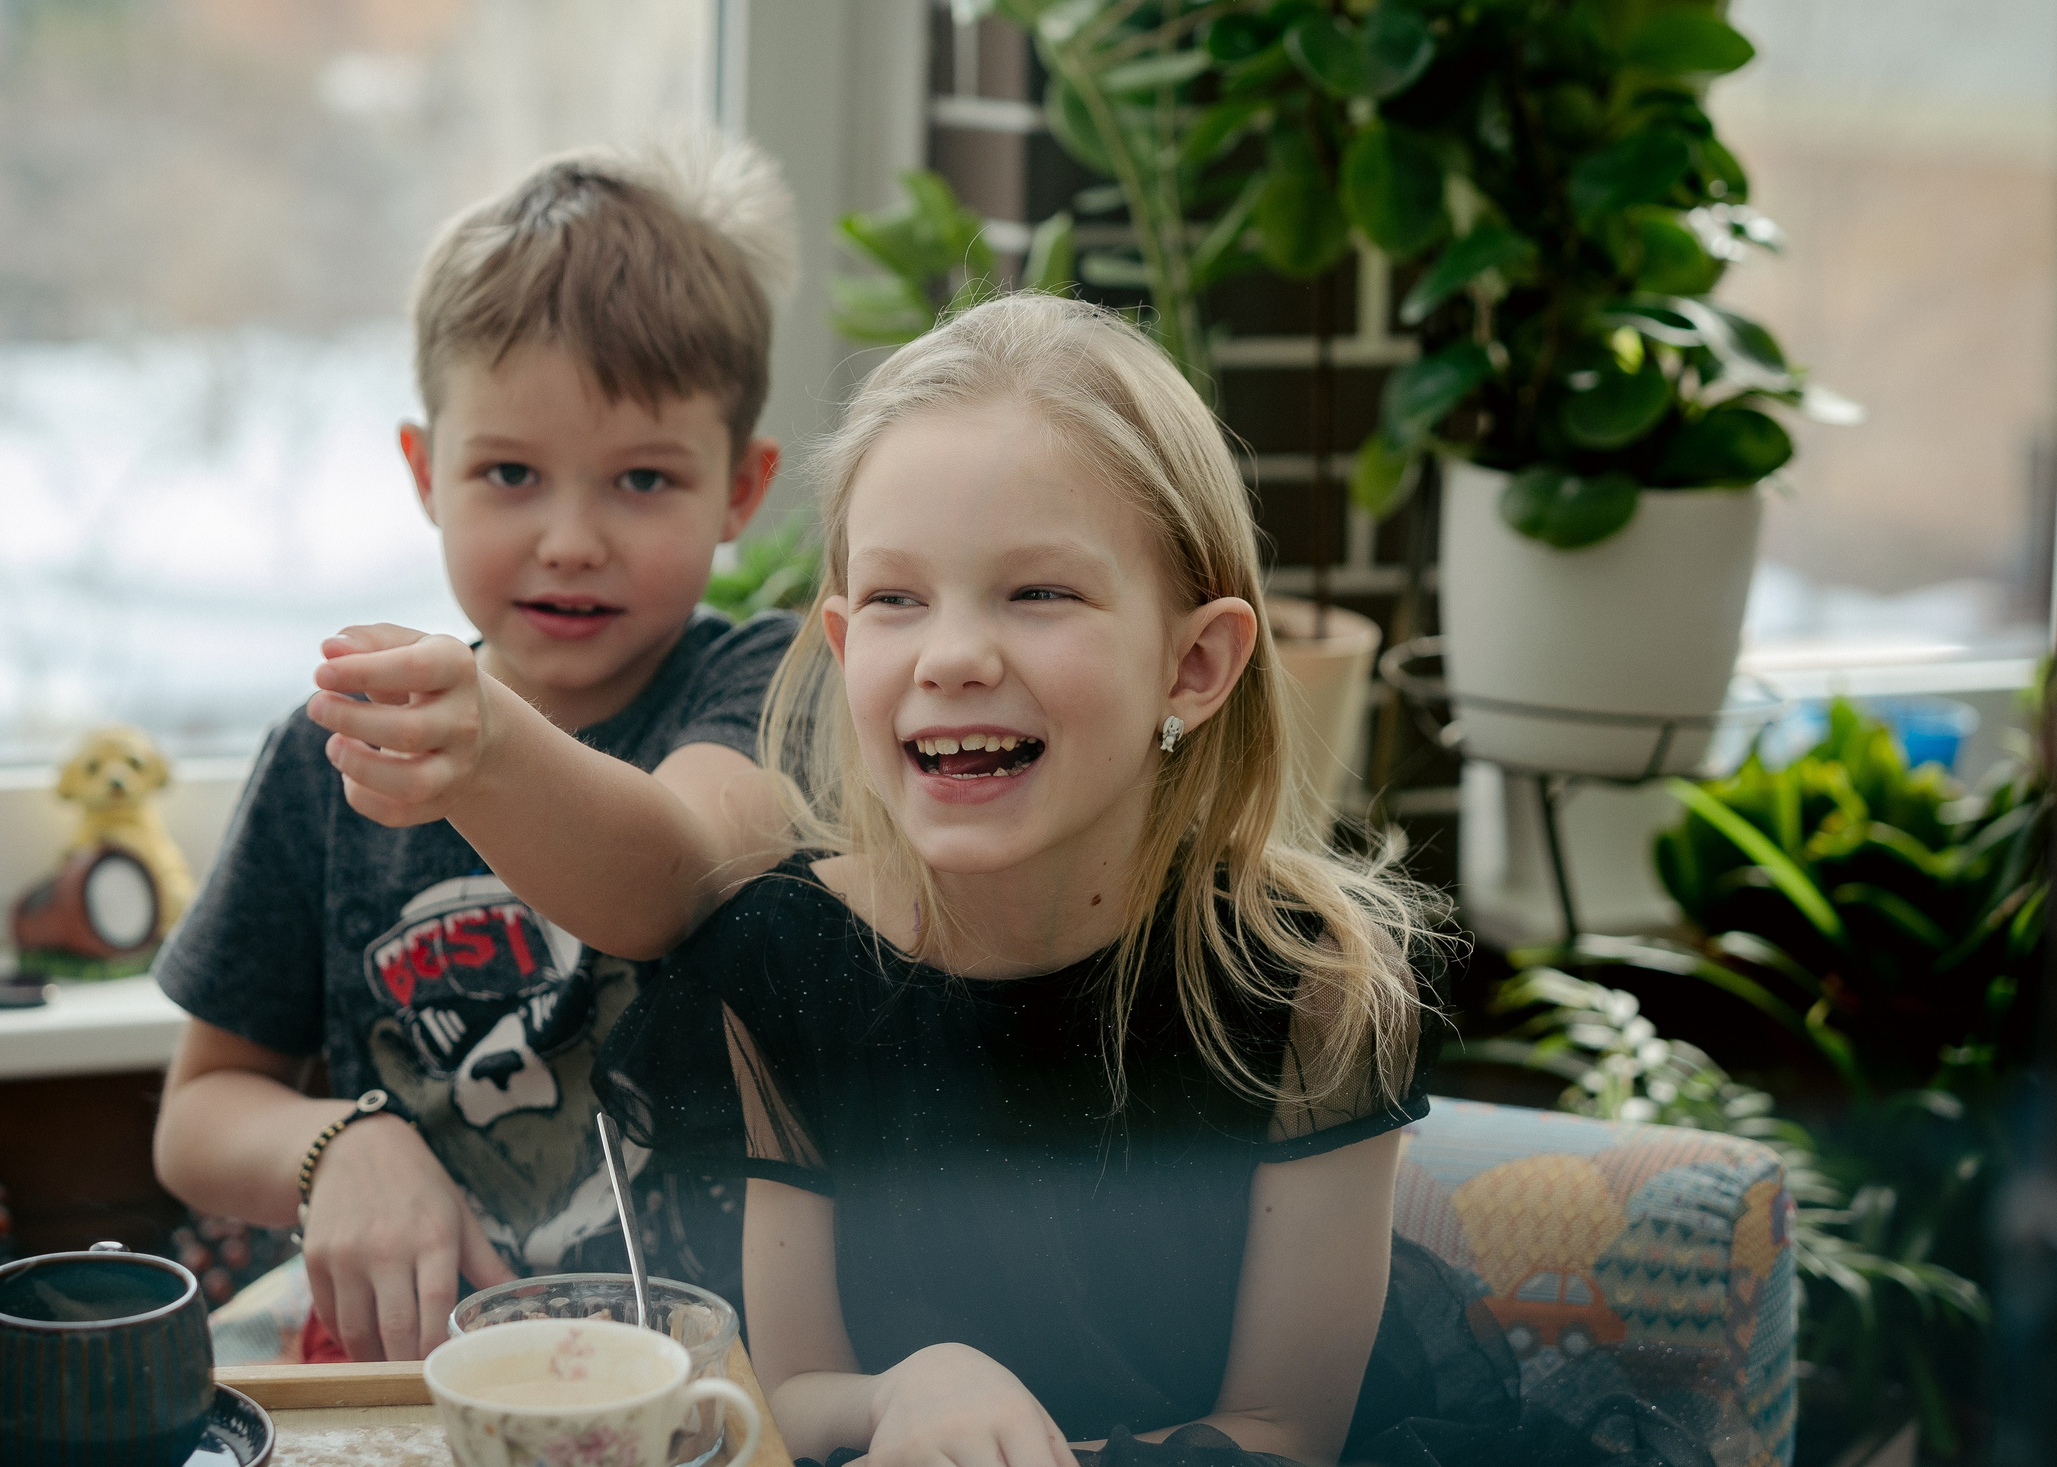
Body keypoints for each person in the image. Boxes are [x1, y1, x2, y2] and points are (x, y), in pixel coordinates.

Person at [599, 297, 1705, 1467]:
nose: (952, 654)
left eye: (1039, 593)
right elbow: (798, 1386)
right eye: (895, 599)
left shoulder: (1309, 984)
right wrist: (910, 1390)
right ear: (839, 646)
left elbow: (1284, 1431)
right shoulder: (786, 961)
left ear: (1192, 665)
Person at [152, 131, 801, 1364]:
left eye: (644, 481)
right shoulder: (329, 758)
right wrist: (340, 1142)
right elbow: (196, 1117)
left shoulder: (765, 687)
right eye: (509, 471)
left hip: (704, 1385)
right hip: (406, 1376)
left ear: (742, 488)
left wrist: (490, 747)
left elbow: (668, 881)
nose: (570, 539)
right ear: (423, 471)